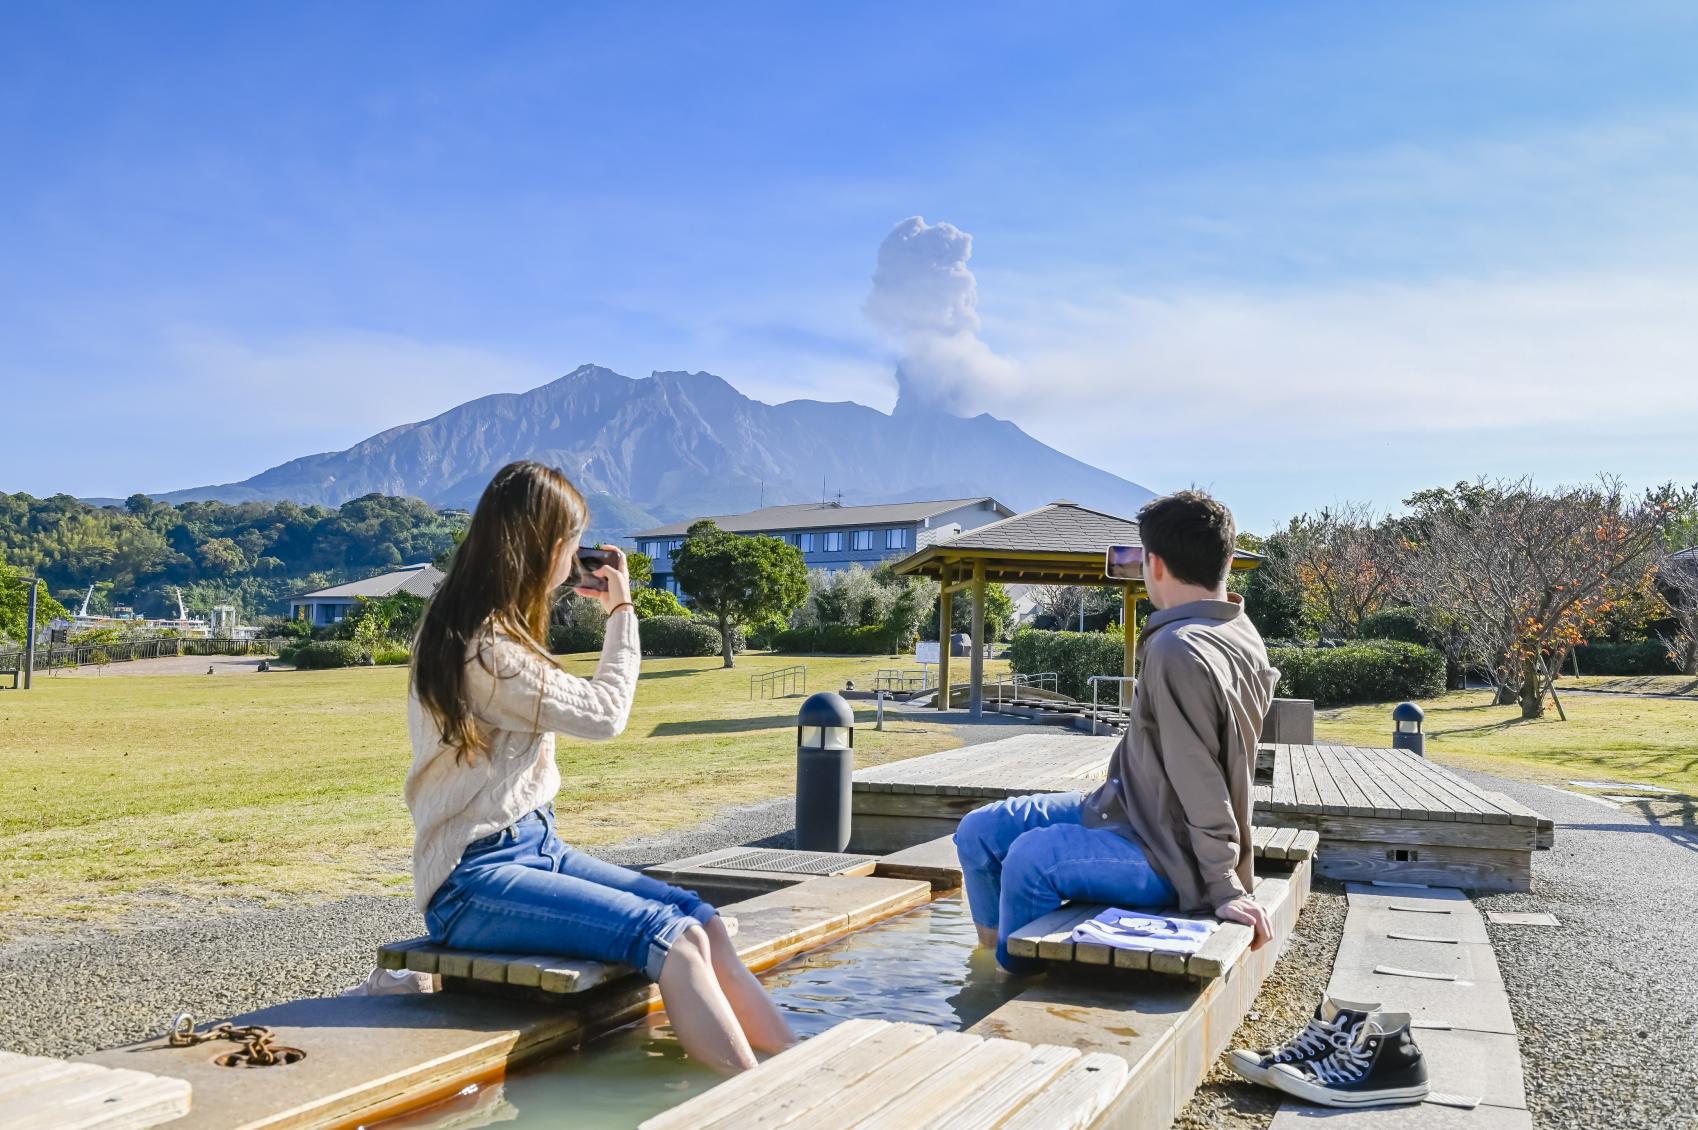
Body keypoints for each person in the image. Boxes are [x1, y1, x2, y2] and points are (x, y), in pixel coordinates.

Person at [407, 461, 793, 1074]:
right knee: (675, 939)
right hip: (472, 881)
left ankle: (795, 1063)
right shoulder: (488, 651)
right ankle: (754, 1101)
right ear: (544, 548)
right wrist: (622, 614)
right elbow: (605, 713)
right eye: (570, 543)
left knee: (703, 921)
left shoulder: (484, 627)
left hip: (538, 850)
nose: (574, 560)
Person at [955, 490, 1280, 972]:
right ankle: (991, 962)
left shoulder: (1179, 647)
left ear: (1153, 565)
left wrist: (1224, 885)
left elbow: (1200, 778)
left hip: (1168, 853)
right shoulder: (1234, 625)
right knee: (979, 831)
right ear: (1228, 561)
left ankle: (1015, 987)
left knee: (1030, 859)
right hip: (1126, 809)